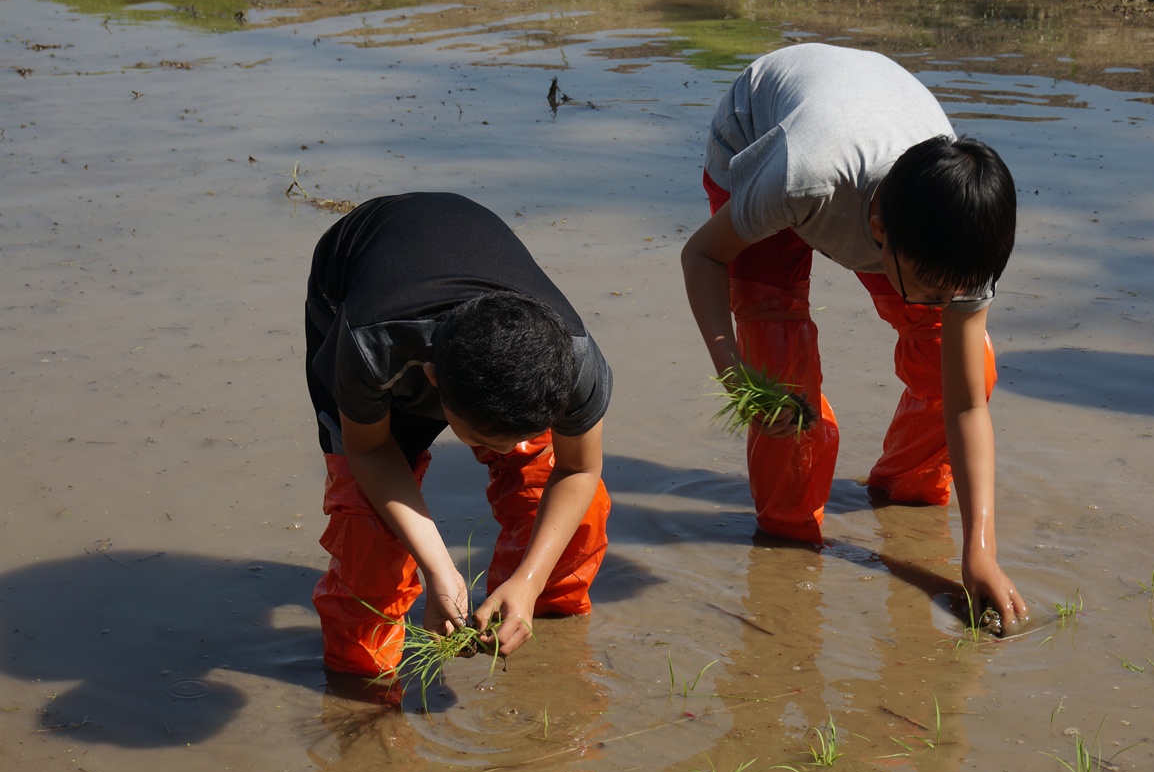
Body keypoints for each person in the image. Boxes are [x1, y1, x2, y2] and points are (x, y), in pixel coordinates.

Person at [680, 43, 1028, 631]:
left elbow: (967, 401)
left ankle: (905, 490)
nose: (945, 306)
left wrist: (980, 551)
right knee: (784, 388)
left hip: (867, 128)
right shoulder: (799, 180)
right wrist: (736, 374)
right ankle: (787, 544)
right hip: (759, 139)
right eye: (929, 289)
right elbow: (702, 256)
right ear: (876, 235)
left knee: (969, 368)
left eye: (956, 295)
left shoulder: (963, 238)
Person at [305, 192, 613, 677]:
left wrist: (528, 583)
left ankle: (545, 630)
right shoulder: (371, 346)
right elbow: (367, 451)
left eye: (516, 436)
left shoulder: (575, 362)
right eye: (486, 440)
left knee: (547, 480)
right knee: (369, 534)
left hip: (477, 278)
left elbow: (580, 468)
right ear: (432, 382)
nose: (506, 452)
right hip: (358, 272)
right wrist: (438, 568)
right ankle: (364, 684)